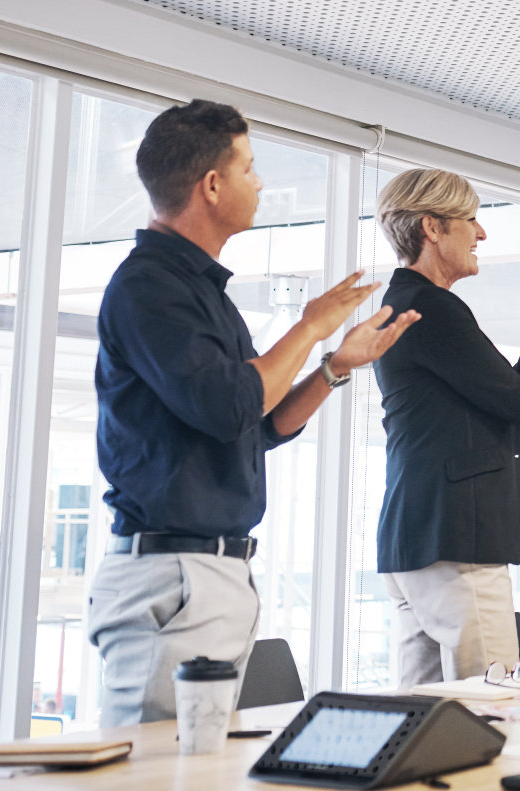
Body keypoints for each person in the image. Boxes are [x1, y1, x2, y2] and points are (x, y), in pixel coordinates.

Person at [89, 100, 418, 726]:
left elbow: (257, 425)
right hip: (173, 575)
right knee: (158, 773)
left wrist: (333, 366)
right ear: (211, 185)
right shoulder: (147, 287)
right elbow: (231, 403)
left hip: (214, 573)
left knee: (202, 771)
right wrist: (310, 324)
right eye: (249, 168)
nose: (260, 182)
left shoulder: (203, 294)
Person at [372, 169, 520, 687]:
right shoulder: (433, 309)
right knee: (494, 709)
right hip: (458, 544)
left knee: (421, 718)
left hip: (416, 540)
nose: (482, 233)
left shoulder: (403, 303)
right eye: (471, 219)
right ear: (432, 228)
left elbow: (502, 392)